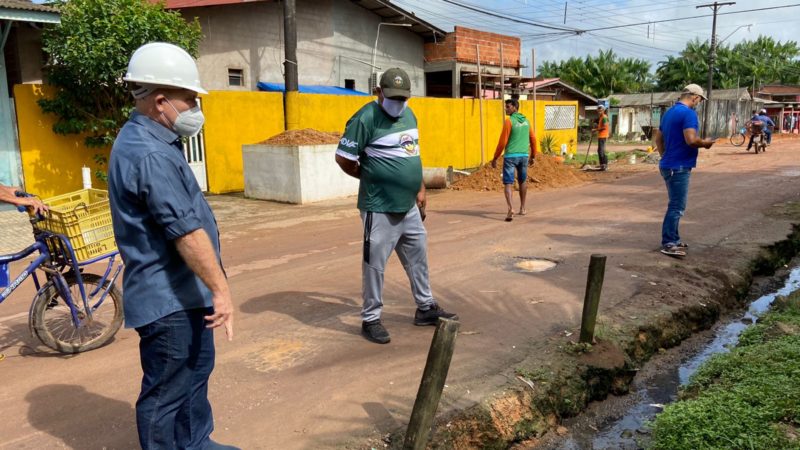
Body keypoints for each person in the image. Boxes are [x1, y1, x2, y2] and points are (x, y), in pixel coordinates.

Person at [108, 42, 237, 450]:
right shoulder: (149, 154)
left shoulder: (158, 141)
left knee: (195, 374)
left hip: (185, 293)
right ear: (161, 101)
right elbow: (185, 232)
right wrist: (221, 290)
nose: (196, 108)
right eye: (191, 100)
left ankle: (196, 442)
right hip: (169, 302)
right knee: (166, 393)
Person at [335, 68, 458, 344]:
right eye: (392, 98)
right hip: (378, 206)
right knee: (375, 265)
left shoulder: (410, 115)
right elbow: (343, 158)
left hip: (409, 206)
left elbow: (412, 154)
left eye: (403, 98)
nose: (398, 104)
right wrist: (369, 176)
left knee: (418, 257)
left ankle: (425, 308)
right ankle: (371, 319)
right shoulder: (365, 119)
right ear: (379, 92)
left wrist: (420, 186)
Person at [652, 83, 715, 258]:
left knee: (676, 204)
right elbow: (691, 140)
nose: (699, 103)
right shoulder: (688, 114)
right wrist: (706, 143)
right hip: (678, 166)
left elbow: (658, 139)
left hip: (669, 164)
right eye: (700, 100)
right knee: (677, 206)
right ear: (695, 97)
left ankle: (674, 237)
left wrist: (665, 156)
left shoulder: (669, 113)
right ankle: (668, 242)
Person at [490, 98, 537, 222]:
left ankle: (511, 208)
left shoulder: (509, 121)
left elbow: (502, 142)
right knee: (522, 181)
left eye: (508, 107)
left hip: (510, 157)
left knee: (508, 183)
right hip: (524, 156)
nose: (506, 109)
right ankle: (523, 208)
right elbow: (533, 139)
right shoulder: (527, 121)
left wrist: (495, 157)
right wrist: (533, 156)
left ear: (515, 107)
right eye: (506, 107)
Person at [593, 103, 610, 170]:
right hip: (601, 135)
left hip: (603, 136)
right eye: (598, 111)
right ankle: (602, 164)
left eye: (600, 111)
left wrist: (595, 129)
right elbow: (601, 126)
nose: (599, 112)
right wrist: (596, 126)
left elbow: (605, 127)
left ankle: (604, 165)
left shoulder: (604, 117)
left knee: (601, 151)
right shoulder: (601, 117)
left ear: (603, 110)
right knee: (599, 150)